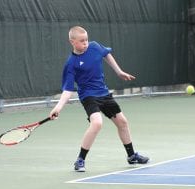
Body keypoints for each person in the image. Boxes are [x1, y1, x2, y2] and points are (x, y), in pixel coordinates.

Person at [49, 26, 149, 172]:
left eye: (86, 40)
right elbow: (68, 90)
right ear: (72, 42)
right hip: (89, 96)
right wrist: (58, 107)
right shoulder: (71, 63)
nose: (86, 43)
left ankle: (132, 156)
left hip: (103, 93)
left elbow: (106, 54)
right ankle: (80, 160)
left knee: (122, 122)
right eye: (82, 41)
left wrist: (119, 71)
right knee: (97, 123)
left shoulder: (94, 47)